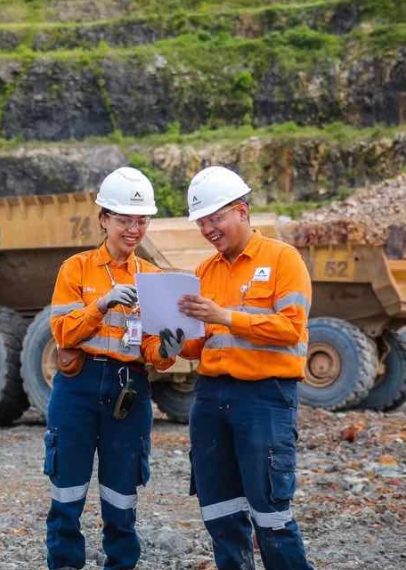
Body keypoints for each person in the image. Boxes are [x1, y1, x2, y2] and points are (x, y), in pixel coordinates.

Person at [158, 166, 315, 570]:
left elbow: (291, 329)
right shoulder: (205, 272)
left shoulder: (283, 259)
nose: (209, 228)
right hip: (211, 398)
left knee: (271, 514)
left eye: (216, 218)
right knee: (220, 511)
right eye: (202, 221)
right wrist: (176, 342)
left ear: (242, 211)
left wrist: (226, 316)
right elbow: (200, 342)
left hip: (264, 397)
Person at [43, 166, 177, 570]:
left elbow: (154, 352)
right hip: (78, 387)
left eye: (141, 221)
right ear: (103, 219)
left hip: (128, 390)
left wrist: (169, 348)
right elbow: (63, 333)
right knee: (67, 493)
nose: (133, 229)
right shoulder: (76, 269)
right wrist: (101, 305)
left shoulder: (152, 277)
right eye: (124, 220)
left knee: (122, 497)